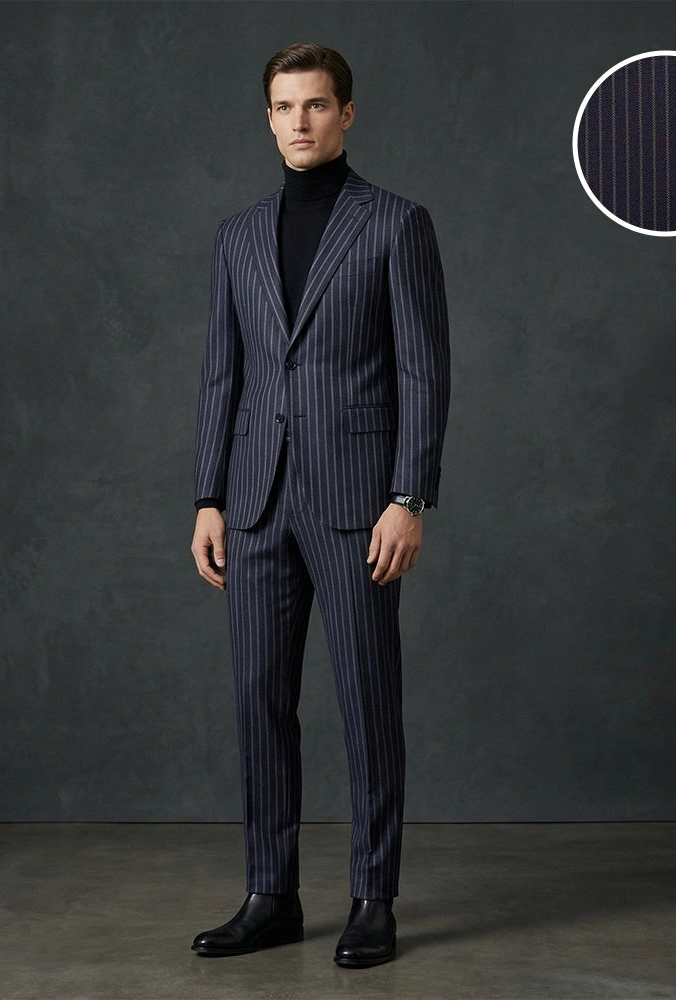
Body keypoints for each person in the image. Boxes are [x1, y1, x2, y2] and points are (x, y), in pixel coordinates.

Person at [189, 42, 450, 968]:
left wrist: (408, 496)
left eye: (316, 104)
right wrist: (209, 495)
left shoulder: (396, 224)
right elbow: (222, 376)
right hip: (255, 503)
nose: (299, 121)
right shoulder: (236, 237)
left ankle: (374, 898)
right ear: (268, 118)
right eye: (284, 106)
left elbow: (423, 371)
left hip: (356, 504)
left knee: (368, 700)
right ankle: (271, 893)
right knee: (260, 701)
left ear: (346, 113)